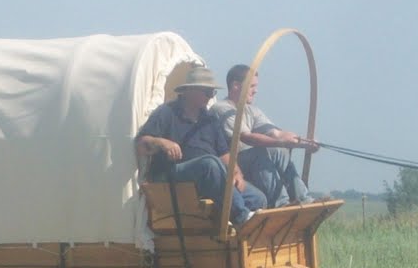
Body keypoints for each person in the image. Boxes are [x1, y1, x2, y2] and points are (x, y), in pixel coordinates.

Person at [135, 64, 265, 226]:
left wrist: (237, 173)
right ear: (191, 90)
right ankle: (241, 217)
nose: (211, 97)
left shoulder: (210, 119)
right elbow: (141, 144)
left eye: (213, 92)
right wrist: (162, 143)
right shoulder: (167, 112)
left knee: (258, 198)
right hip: (173, 174)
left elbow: (224, 154)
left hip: (210, 178)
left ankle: (239, 230)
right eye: (207, 92)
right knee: (209, 163)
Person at [210, 64, 320, 207]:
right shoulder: (222, 108)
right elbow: (247, 137)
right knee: (261, 153)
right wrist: (282, 142)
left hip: (250, 162)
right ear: (236, 86)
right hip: (232, 164)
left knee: (279, 151)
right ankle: (282, 204)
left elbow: (276, 133)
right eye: (251, 86)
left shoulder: (252, 111)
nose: (255, 90)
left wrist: (303, 143)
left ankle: (304, 198)